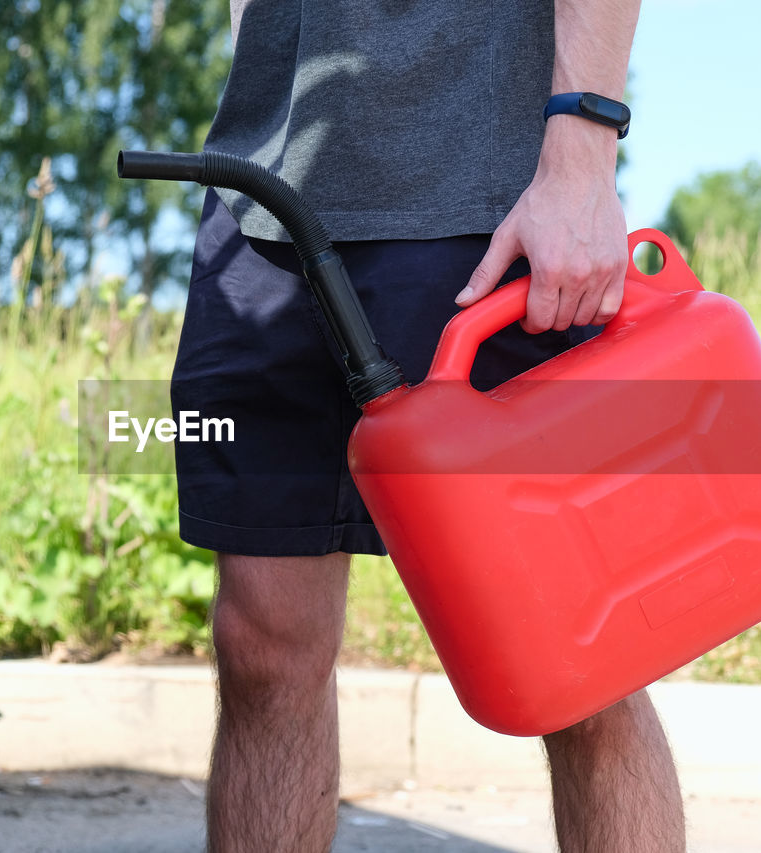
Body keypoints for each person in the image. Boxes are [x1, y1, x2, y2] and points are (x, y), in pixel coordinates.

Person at [169, 1, 686, 850]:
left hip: (491, 206)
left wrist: (584, 149)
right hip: (264, 205)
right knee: (260, 646)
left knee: (584, 660)